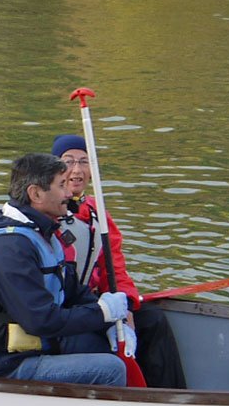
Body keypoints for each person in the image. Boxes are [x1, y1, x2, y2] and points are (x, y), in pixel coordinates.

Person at [0, 153, 127, 386]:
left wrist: (110, 322)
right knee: (111, 369)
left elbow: (71, 289)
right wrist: (102, 313)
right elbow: (41, 321)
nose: (69, 193)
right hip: (10, 365)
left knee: (101, 342)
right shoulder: (9, 249)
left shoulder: (41, 232)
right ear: (36, 194)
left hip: (41, 344)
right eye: (61, 186)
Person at [51, 134, 186, 389]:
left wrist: (125, 306)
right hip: (67, 305)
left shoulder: (97, 212)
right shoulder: (48, 212)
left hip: (95, 299)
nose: (76, 170)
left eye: (84, 162)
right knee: (98, 338)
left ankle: (172, 394)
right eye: (68, 162)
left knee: (152, 320)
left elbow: (115, 269)